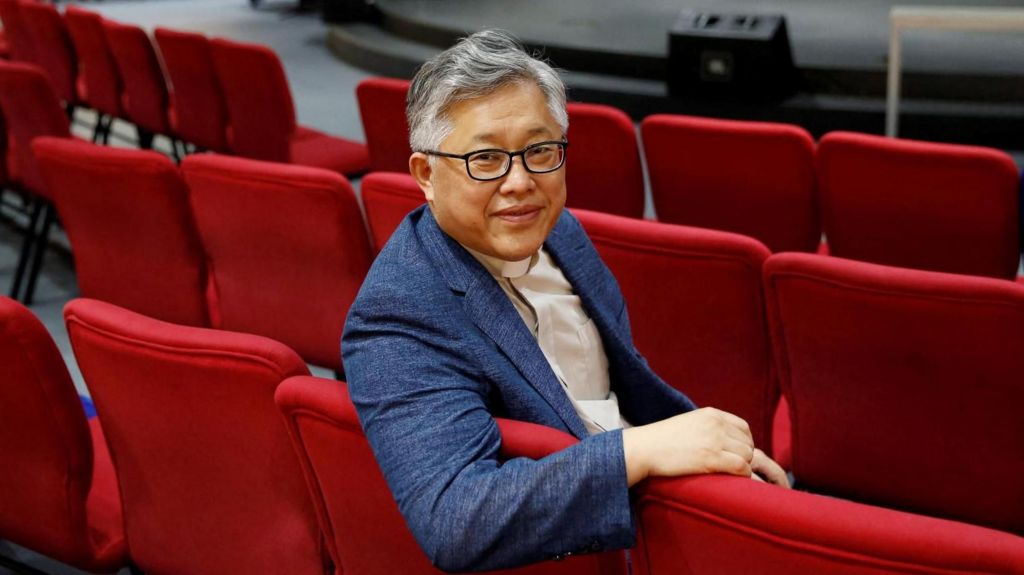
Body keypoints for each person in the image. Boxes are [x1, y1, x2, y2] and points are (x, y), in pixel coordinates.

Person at [342, 29, 788, 573]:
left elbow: (623, 387)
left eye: (540, 151)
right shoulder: (398, 314)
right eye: (485, 158)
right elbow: (456, 519)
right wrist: (641, 450)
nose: (520, 182)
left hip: (656, 490)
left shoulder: (558, 230)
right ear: (426, 174)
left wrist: (714, 449)